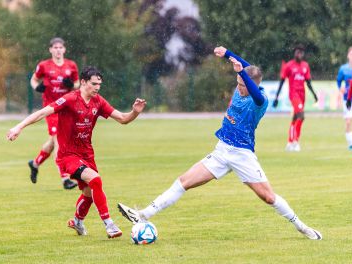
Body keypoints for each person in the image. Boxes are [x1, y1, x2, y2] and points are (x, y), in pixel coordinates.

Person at [117, 47, 322, 240]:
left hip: (243, 155)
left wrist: (243, 74)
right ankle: (143, 214)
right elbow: (246, 69)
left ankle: (302, 227)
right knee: (184, 181)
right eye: (238, 84)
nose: (239, 88)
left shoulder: (260, 100)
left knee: (268, 197)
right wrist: (227, 54)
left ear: (253, 85)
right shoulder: (242, 82)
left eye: (243, 85)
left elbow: (251, 85)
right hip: (222, 150)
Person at [7, 66, 147, 238]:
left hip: (87, 154)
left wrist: (135, 112)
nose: (97, 88)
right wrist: (18, 127)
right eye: (94, 84)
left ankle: (77, 221)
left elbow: (123, 119)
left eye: (99, 84)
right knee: (95, 180)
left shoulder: (98, 101)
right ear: (83, 82)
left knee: (89, 194)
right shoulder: (69, 99)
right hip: (68, 155)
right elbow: (42, 112)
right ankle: (109, 224)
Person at [28, 37, 80, 189]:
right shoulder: (44, 65)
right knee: (59, 141)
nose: (58, 50)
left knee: (52, 142)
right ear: (50, 49)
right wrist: (36, 88)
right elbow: (34, 80)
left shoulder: (71, 65)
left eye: (60, 47)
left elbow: (77, 83)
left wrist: (71, 85)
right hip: (50, 109)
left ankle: (35, 163)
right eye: (55, 47)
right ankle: (65, 178)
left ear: (64, 49)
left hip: (66, 108)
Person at [272, 44, 318, 152]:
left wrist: (314, 94)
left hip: (302, 95)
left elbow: (308, 82)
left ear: (303, 54)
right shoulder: (289, 66)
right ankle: (295, 141)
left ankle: (289, 142)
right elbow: (282, 81)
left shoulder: (305, 66)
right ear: (294, 53)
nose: (299, 54)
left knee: (295, 118)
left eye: (301, 52)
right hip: (294, 95)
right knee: (301, 116)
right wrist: (276, 97)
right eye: (297, 52)